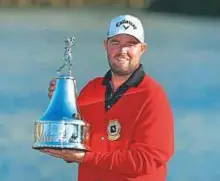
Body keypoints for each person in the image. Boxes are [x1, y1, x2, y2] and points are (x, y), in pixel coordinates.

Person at [40, 14, 174, 181]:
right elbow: (74, 148)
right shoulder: (91, 90)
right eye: (115, 43)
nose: (122, 51)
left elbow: (145, 160)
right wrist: (63, 103)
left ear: (143, 49)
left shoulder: (153, 96)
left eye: (130, 44)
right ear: (106, 45)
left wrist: (84, 157)